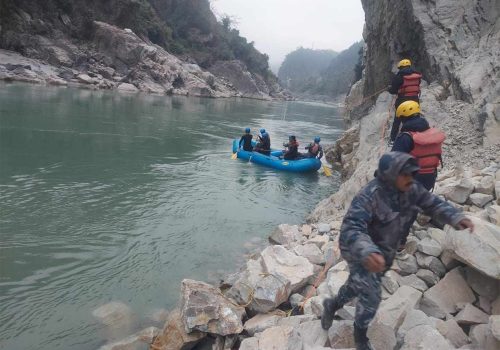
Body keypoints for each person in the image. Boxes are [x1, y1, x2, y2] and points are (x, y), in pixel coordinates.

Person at [320, 152, 474, 350]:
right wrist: (368, 251)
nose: (411, 179)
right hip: (360, 250)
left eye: (411, 174)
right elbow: (352, 228)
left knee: (356, 285)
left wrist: (455, 217)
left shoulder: (411, 189)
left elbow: (432, 203)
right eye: (405, 175)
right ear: (390, 175)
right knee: (371, 294)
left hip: (385, 251)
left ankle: (331, 305)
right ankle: (360, 336)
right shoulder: (370, 195)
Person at [391, 101, 445, 191]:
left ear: (403, 118)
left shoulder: (406, 137)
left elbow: (392, 161)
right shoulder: (431, 134)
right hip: (430, 180)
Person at [388, 59, 422, 143]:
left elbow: (393, 90)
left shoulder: (399, 76)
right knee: (415, 117)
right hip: (415, 100)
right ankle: (417, 136)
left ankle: (392, 139)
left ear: (400, 67)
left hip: (403, 100)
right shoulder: (417, 75)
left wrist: (389, 88)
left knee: (397, 120)